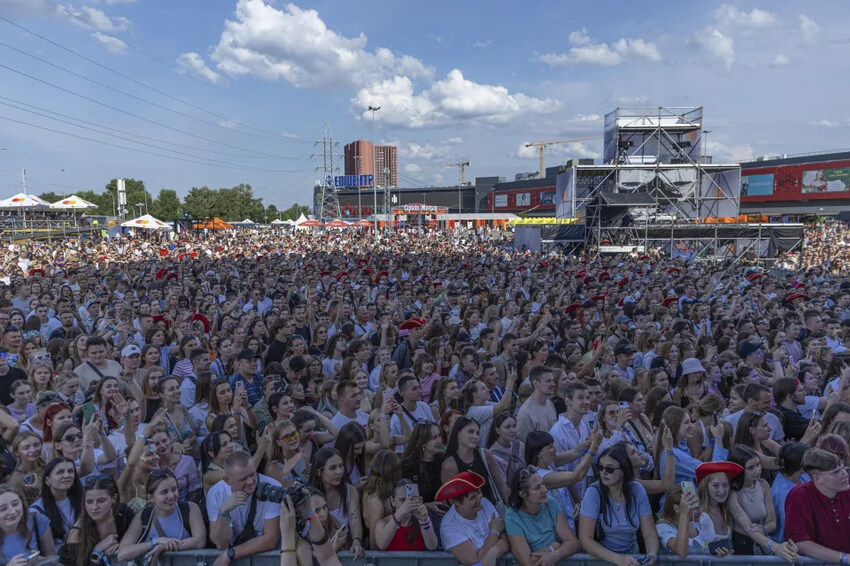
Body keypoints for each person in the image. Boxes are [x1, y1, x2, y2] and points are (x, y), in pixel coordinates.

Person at [578, 444, 659, 564]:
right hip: (601, 559)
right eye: (600, 467)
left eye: (610, 469)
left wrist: (652, 556)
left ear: (623, 471)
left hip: (632, 557)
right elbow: (585, 539)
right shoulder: (593, 493)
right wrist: (619, 560)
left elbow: (649, 533)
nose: (603, 472)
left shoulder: (637, 490)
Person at [207, 450, 282, 565]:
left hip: (266, 558)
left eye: (252, 474)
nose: (250, 481)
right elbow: (221, 543)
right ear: (227, 480)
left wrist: (230, 554)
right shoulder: (216, 493)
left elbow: (271, 539)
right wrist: (223, 511)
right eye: (242, 479)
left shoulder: (273, 487)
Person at [116, 469, 206, 562]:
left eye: (174, 489)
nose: (171, 496)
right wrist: (155, 542)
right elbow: (122, 554)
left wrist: (165, 547)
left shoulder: (190, 508)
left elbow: (200, 541)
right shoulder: (144, 516)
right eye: (164, 492)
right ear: (151, 497)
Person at [505, 465, 580, 566]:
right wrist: (553, 546)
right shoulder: (512, 516)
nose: (544, 490)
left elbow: (573, 543)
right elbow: (529, 562)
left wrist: (554, 555)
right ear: (523, 494)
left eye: (543, 484)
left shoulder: (551, 503)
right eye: (537, 487)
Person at [785, 448, 850, 562]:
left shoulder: (846, 490)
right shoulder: (800, 496)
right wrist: (844, 558)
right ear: (817, 478)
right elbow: (800, 542)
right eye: (836, 472)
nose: (844, 474)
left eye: (843, 469)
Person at [436, 471, 509, 566]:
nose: (479, 498)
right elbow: (474, 559)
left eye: (479, 492)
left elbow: (505, 540)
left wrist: (493, 552)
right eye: (472, 497)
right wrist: (494, 533)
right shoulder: (449, 526)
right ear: (456, 502)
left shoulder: (484, 503)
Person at [60, 475, 135, 566]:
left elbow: (139, 543)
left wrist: (122, 546)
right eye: (89, 502)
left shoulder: (124, 514)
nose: (94, 507)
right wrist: (98, 549)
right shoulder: (78, 532)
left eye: (101, 501)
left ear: (114, 498)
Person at [307, 447, 365, 559]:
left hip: (344, 552)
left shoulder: (350, 490)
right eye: (332, 468)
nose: (339, 472)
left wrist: (356, 541)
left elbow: (355, 520)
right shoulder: (308, 495)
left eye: (341, 465)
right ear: (319, 471)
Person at [728, 444, 777, 555]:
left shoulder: (764, 485)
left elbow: (772, 523)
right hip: (740, 545)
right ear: (740, 469)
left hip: (761, 542)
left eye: (758, 465)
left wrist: (763, 529)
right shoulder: (732, 491)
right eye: (751, 468)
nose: (757, 470)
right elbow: (748, 528)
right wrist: (776, 547)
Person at [31, 457, 82, 553]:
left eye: (70, 471)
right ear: (47, 480)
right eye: (60, 472)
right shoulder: (36, 511)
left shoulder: (81, 501)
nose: (67, 475)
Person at [372, 478, 438, 551]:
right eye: (403, 500)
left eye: (411, 499)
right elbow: (381, 544)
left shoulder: (419, 522)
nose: (407, 504)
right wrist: (399, 515)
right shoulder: (383, 523)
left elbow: (432, 546)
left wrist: (424, 521)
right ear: (393, 500)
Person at [0, 484, 54, 564]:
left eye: (15, 504)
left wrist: (41, 560)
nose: (12, 511)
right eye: (3, 509)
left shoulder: (37, 520)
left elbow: (54, 558)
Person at [770, 442, 809, 543]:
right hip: (787, 544)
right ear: (801, 465)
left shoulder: (804, 476)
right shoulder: (782, 493)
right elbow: (790, 524)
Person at [515, 366, 558, 443]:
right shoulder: (526, 413)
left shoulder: (550, 404)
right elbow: (525, 446)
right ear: (536, 383)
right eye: (548, 381)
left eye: (553, 380)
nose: (553, 384)